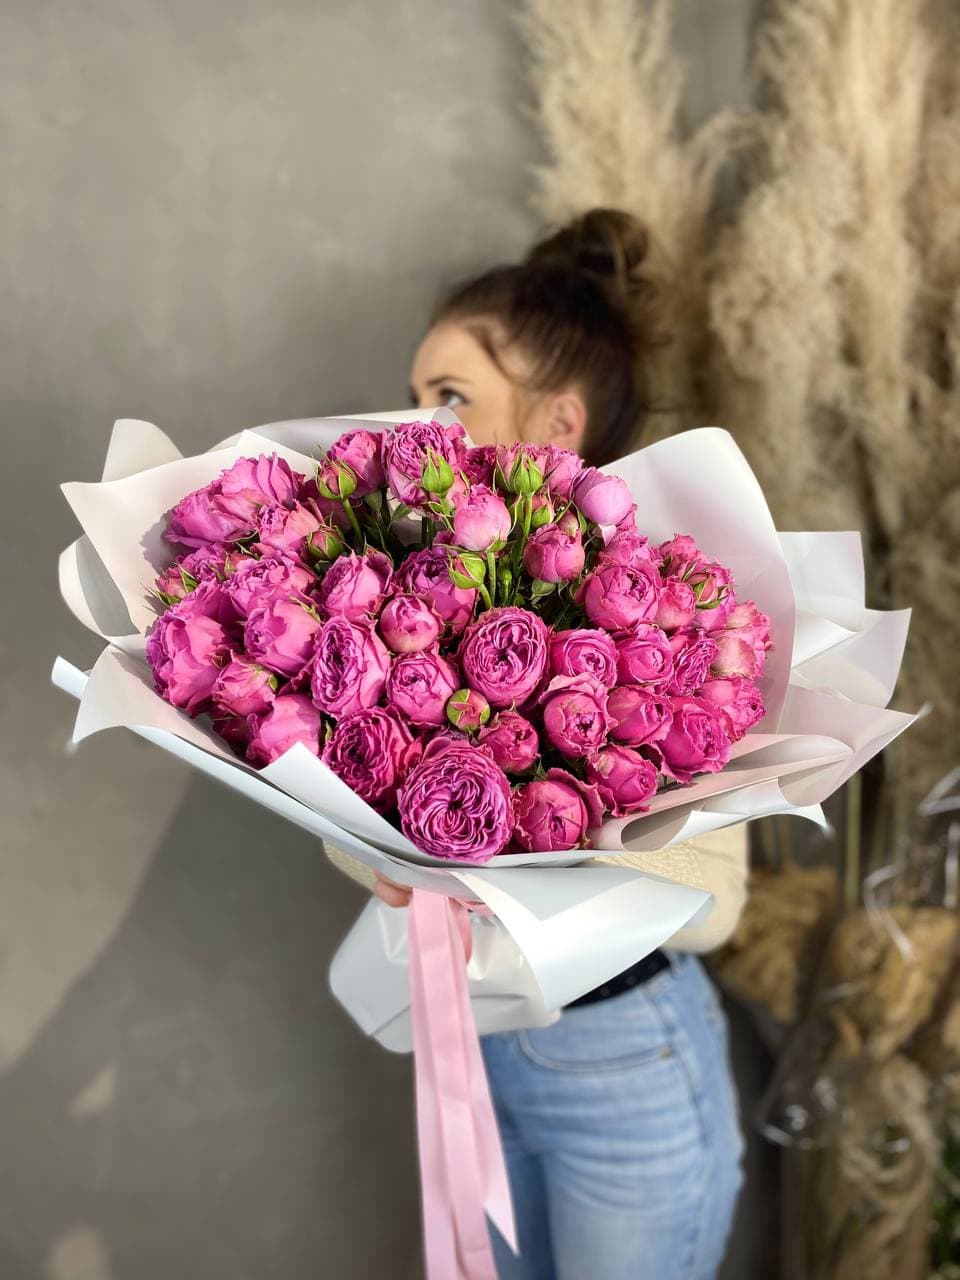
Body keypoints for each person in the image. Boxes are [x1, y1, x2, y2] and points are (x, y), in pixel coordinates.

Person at [329, 208, 747, 1280]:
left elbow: (720, 907)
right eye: (413, 394)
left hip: (627, 1060)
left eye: (449, 396)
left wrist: (543, 824)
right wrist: (389, 852)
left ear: (558, 422)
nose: (416, 425)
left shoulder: (664, 614)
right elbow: (334, 811)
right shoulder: (397, 599)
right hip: (479, 1049)